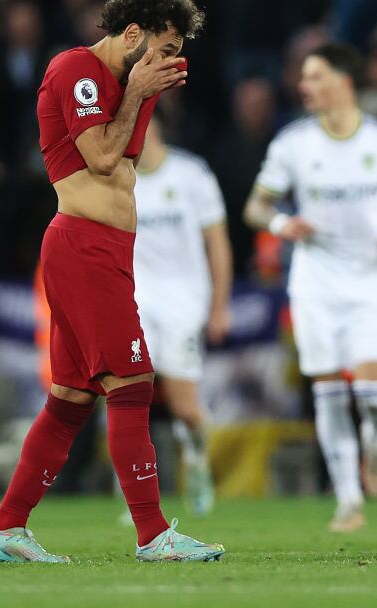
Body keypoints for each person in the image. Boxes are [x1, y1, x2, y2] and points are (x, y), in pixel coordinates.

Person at [0, 0, 224, 563]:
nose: (169, 62)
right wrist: (138, 90)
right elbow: (102, 158)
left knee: (70, 399)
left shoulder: (128, 83)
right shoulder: (75, 69)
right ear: (132, 36)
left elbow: (125, 169)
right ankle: (153, 534)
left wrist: (140, 89)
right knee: (133, 383)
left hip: (106, 250)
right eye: (165, 49)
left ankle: (6, 528)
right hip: (82, 246)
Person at [243, 43, 377, 532]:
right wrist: (283, 225)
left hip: (371, 281)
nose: (305, 86)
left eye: (315, 76)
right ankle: (348, 501)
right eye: (304, 77)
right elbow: (256, 207)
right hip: (316, 284)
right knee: (327, 390)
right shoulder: (293, 145)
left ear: (344, 81)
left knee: (371, 390)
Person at [133, 114, 233, 515]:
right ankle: (134, 488)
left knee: (184, 404)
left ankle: (197, 463)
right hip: (135, 301)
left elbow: (217, 242)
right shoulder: (116, 177)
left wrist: (220, 305)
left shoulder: (192, 175)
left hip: (184, 301)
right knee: (128, 395)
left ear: (152, 128)